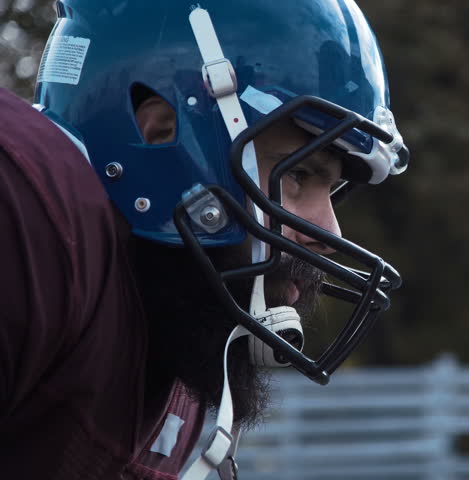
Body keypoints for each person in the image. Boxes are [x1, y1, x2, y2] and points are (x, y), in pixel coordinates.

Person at [0, 0, 409, 478]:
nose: (331, 233)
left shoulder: (176, 324)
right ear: (162, 133)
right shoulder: (25, 207)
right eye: (298, 173)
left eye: (333, 191)